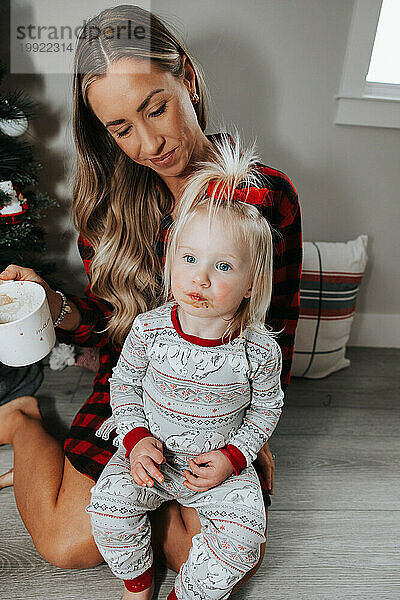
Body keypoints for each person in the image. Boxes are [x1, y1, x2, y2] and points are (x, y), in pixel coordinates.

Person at [0, 4, 301, 589]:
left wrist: (252, 441)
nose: (149, 143)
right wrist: (55, 307)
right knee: (69, 546)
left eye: (155, 109)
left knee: (209, 561)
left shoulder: (261, 200)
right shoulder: (110, 209)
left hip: (221, 412)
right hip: (138, 395)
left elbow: (277, 329)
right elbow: (115, 332)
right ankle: (22, 419)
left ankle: (150, 506)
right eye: (120, 129)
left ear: (185, 77)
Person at [87, 138, 284, 600]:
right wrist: (134, 441)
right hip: (151, 458)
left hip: (216, 466)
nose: (200, 278)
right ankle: (137, 583)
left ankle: (187, 594)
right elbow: (126, 383)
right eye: (190, 259)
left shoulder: (257, 350)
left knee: (245, 541)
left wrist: (235, 457)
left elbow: (264, 410)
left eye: (223, 266)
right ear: (171, 259)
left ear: (252, 280)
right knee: (107, 508)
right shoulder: (151, 328)